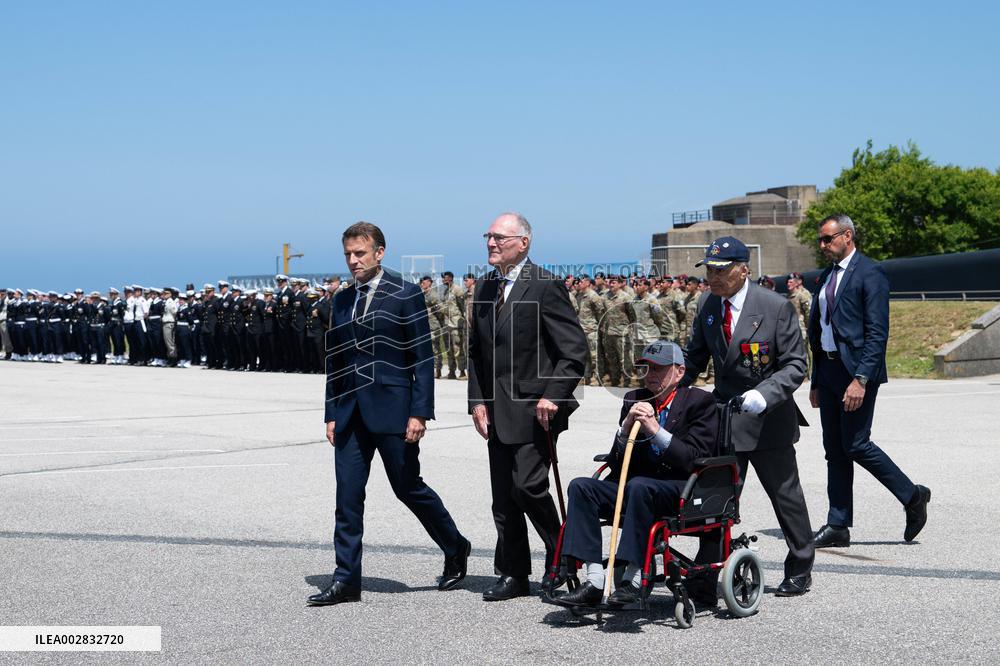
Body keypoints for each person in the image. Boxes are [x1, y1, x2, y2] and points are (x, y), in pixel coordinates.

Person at [308, 221, 470, 607]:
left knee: (407, 488)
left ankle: (455, 545)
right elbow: (338, 360)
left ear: (379, 253)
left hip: (395, 412)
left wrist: (420, 413)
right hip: (350, 413)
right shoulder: (342, 300)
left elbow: (423, 357)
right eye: (348, 254)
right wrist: (331, 411)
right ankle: (346, 580)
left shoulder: (405, 293)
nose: (353, 261)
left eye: (360, 253)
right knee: (347, 497)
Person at [683, 236, 815, 599]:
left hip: (767, 418)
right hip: (725, 419)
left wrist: (764, 394)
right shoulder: (709, 306)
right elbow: (695, 358)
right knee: (715, 498)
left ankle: (801, 565)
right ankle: (708, 570)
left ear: (744, 270)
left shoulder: (774, 307)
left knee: (785, 496)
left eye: (720, 271)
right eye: (708, 270)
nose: (712, 277)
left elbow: (794, 364)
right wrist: (666, 391)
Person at [466, 212, 588, 602]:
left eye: (500, 237)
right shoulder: (485, 287)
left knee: (529, 486)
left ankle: (563, 556)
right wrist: (477, 402)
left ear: (524, 243)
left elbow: (573, 350)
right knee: (503, 498)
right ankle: (513, 573)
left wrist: (553, 394)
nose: (491, 243)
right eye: (488, 236)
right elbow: (476, 353)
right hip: (497, 410)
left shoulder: (545, 286)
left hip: (536, 408)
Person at [554, 341, 719, 607]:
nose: (651, 375)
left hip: (678, 487)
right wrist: (625, 428)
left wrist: (655, 430)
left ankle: (633, 576)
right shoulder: (634, 398)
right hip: (635, 486)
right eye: (646, 368)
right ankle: (594, 579)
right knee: (581, 487)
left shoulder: (699, 401)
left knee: (640, 486)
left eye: (660, 369)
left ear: (679, 372)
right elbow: (617, 463)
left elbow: (691, 459)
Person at [808, 214, 931, 548]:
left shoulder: (870, 272)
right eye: (821, 239)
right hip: (830, 372)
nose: (823, 245)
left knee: (857, 444)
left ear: (847, 236)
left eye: (827, 238)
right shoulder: (826, 277)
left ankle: (912, 496)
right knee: (834, 450)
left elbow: (878, 333)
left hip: (856, 372)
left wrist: (861, 378)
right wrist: (816, 380)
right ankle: (838, 524)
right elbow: (819, 332)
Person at [440, 271, 466, 379]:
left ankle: (462, 371)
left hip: (456, 323)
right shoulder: (446, 291)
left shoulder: (457, 290)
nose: (442, 280)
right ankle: (451, 371)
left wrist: (462, 319)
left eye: (444, 278)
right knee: (449, 349)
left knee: (458, 348)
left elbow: (462, 305)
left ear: (450, 278)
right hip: (447, 324)